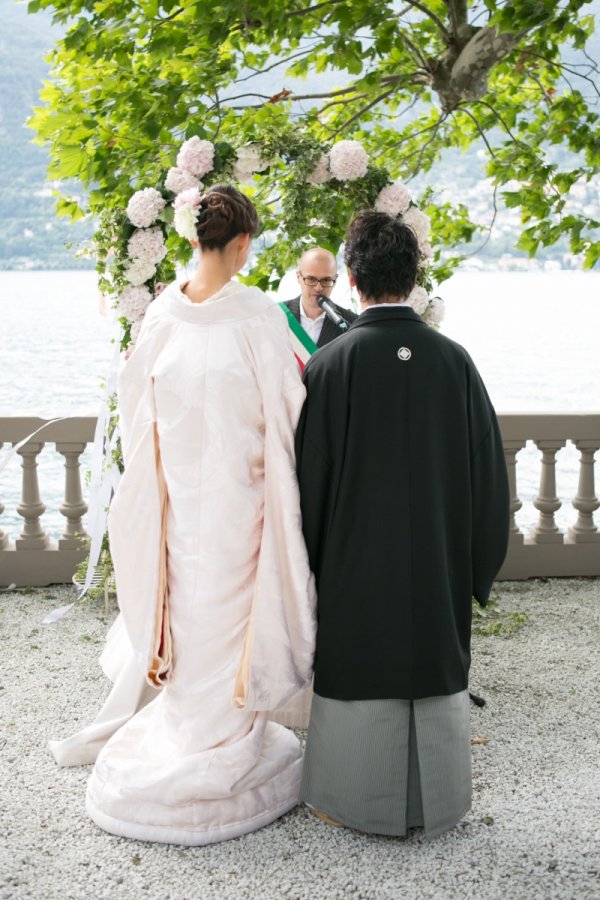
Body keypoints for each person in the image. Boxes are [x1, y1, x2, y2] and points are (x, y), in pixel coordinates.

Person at [51, 185, 316, 846]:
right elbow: (291, 406)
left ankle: (188, 724)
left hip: (180, 502)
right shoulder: (257, 313)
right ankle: (223, 734)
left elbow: (138, 403)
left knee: (193, 618)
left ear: (195, 240)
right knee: (227, 619)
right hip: (240, 503)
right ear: (244, 242)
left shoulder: (165, 313)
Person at [295, 211, 509, 839]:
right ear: (413, 278)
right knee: (432, 658)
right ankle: (438, 805)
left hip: (357, 568)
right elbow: (488, 478)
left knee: (358, 657)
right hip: (437, 562)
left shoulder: (333, 365)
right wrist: (474, 566)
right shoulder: (454, 361)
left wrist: (312, 567)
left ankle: (352, 801)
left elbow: (310, 486)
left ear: (352, 278)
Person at [283, 247, 357, 348]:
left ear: (335, 280)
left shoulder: (351, 323)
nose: (318, 288)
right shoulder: (278, 315)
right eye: (311, 279)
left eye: (326, 280)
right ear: (298, 277)